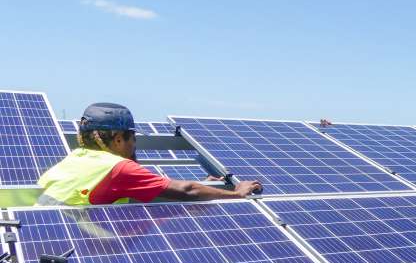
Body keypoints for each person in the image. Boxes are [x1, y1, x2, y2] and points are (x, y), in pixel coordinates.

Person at [37, 103, 262, 205]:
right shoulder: (118, 168)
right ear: (118, 139)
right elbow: (187, 191)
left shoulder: (74, 159)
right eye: (132, 139)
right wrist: (237, 194)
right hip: (84, 247)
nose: (135, 145)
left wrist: (206, 183)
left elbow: (145, 185)